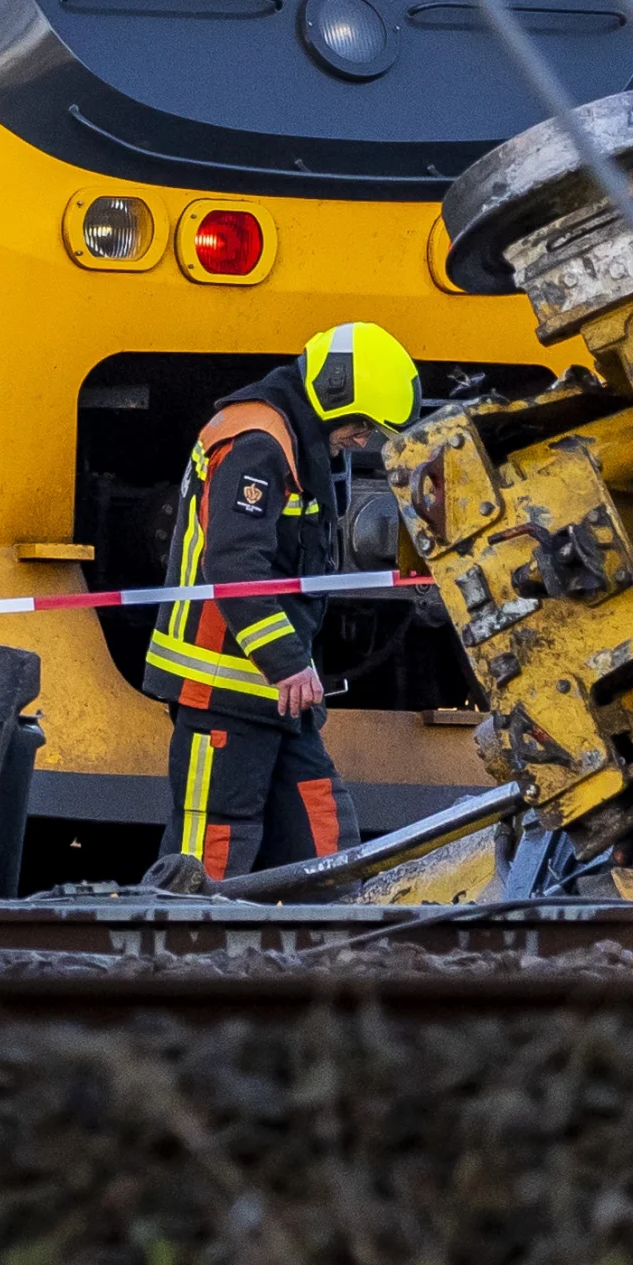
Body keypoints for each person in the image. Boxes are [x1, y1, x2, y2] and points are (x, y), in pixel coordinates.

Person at [139, 321, 420, 883]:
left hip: (273, 693)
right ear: (335, 392)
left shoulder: (294, 437)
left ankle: (332, 961)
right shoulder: (258, 442)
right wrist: (289, 664)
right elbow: (234, 564)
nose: (364, 439)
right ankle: (181, 965)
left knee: (325, 843)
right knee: (207, 859)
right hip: (220, 686)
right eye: (362, 423)